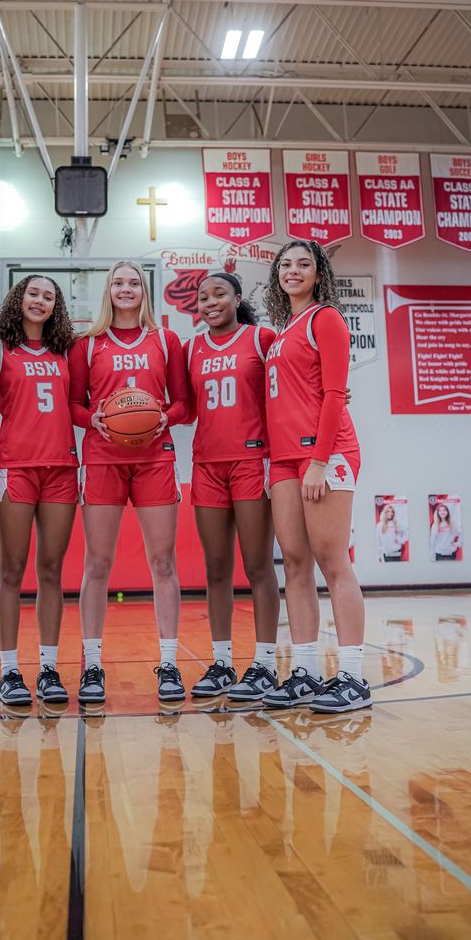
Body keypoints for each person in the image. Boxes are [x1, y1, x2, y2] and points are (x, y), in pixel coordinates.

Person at [69, 260, 190, 704]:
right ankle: (93, 665)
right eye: (118, 282)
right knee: (97, 565)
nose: (126, 288)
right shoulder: (87, 345)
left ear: (145, 290)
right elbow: (72, 405)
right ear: (108, 290)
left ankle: (170, 663)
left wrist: (165, 416)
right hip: (103, 458)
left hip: (155, 458)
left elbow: (184, 405)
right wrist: (93, 419)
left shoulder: (166, 340)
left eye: (133, 282)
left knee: (163, 563)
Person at [261, 239, 371, 714]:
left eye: (304, 264)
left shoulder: (326, 318)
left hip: (323, 455)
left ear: (318, 272)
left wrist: (320, 460)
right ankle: (304, 670)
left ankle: (352, 676)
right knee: (296, 563)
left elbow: (334, 394)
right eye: (285, 264)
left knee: (332, 561)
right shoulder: (284, 329)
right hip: (284, 459)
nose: (293, 270)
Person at [184, 272, 280, 700]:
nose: (209, 302)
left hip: (251, 461)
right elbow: (183, 408)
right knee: (216, 569)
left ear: (237, 297)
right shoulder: (190, 350)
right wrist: (135, 417)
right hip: (206, 464)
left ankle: (264, 663)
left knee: (258, 566)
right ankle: (222, 663)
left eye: (219, 293)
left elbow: (292, 384)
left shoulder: (261, 339)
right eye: (202, 297)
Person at [0, 274, 78, 708]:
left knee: (51, 570)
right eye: (32, 293)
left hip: (61, 468)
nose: (40, 300)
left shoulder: (66, 351)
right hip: (15, 469)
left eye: (48, 295)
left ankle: (48, 668)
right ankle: (8, 671)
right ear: (17, 298)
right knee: (12, 568)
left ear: (55, 304)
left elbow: (79, 406)